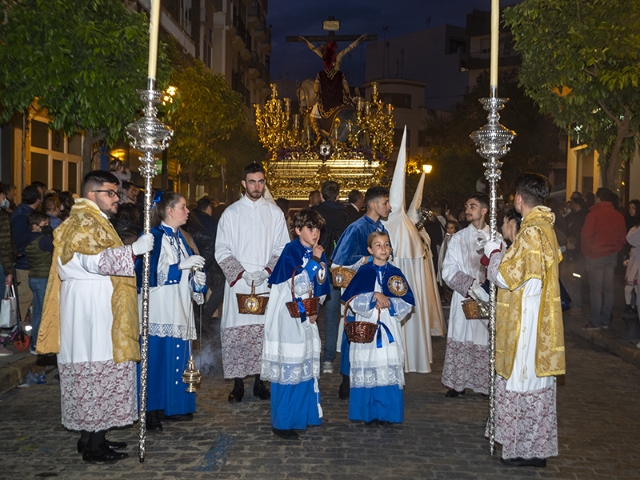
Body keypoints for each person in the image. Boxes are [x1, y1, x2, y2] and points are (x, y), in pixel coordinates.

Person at [37, 170, 154, 463]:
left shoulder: (95, 219)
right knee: (95, 367)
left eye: (117, 193)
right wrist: (132, 251)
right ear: (92, 194)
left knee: (96, 369)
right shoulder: (82, 221)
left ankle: (93, 436)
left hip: (98, 303)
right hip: (90, 307)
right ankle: (93, 446)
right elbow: (85, 261)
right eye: (111, 193)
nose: (117, 199)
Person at [484, 173, 565, 468]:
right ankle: (533, 448)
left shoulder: (531, 232)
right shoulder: (545, 228)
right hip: (535, 312)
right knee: (532, 380)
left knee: (523, 379)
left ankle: (525, 450)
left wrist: (494, 254)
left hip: (527, 320)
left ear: (519, 199)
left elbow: (505, 276)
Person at [215, 162, 290, 402]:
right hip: (239, 281)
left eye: (260, 181)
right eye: (252, 181)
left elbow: (282, 247)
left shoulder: (275, 213)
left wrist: (268, 270)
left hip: (266, 282)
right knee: (238, 332)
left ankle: (260, 382)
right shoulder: (231, 213)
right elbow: (222, 249)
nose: (257, 186)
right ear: (243, 183)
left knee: (264, 333)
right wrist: (241, 272)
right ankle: (238, 384)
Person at [136, 191, 206, 431]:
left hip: (179, 307)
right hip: (159, 308)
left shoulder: (183, 238)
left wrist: (197, 279)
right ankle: (150, 410)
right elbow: (150, 275)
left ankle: (173, 405)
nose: (187, 212)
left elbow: (187, 275)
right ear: (169, 211)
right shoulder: (153, 237)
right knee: (156, 361)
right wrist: (181, 267)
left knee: (176, 358)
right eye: (183, 207)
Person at [262, 209, 331, 440]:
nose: (315, 233)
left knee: (305, 366)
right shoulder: (291, 250)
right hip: (287, 317)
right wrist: (314, 261)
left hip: (306, 316)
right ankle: (282, 422)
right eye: (310, 229)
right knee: (289, 367)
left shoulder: (318, 252)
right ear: (297, 230)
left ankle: (305, 415)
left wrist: (315, 309)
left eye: (318, 229)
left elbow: (320, 286)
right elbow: (295, 284)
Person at [342, 231, 414, 425]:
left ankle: (387, 413)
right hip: (367, 326)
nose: (383, 249)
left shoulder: (396, 273)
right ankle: (367, 412)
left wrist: (389, 302)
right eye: (378, 245)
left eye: (386, 245)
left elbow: (407, 303)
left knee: (385, 364)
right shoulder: (363, 272)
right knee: (368, 363)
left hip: (388, 326)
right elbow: (351, 301)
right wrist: (373, 296)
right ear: (370, 250)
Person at [332, 186, 391, 399]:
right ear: (373, 205)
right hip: (358, 291)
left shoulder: (382, 228)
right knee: (353, 331)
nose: (389, 207)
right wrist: (364, 260)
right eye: (385, 203)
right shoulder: (356, 228)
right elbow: (338, 262)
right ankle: (346, 378)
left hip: (379, 289)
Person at [441, 192, 493, 397]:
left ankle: (483, 384)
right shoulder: (458, 238)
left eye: (472, 206)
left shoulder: (496, 238)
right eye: (466, 206)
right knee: (461, 336)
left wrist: (487, 287)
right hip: (464, 297)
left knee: (483, 338)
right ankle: (457, 383)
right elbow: (448, 269)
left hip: (487, 298)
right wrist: (471, 286)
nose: (467, 210)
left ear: (484, 210)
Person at [311, 181, 350, 373]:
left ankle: (310, 354)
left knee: (311, 312)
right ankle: (328, 359)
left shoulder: (316, 213)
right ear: (338, 195)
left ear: (321, 194)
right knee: (332, 315)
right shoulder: (345, 215)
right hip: (335, 269)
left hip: (315, 265)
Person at [581, 187, 627, 329]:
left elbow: (586, 236)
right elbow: (622, 237)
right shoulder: (618, 215)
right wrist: (615, 249)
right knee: (608, 289)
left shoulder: (593, 215)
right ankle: (606, 320)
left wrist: (587, 252)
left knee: (595, 290)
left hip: (595, 256)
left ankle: (595, 321)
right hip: (611, 255)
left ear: (599, 199)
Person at [11, 184, 42, 323]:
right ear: (37, 199)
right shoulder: (23, 216)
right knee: (24, 297)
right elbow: (18, 240)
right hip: (24, 263)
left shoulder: (21, 212)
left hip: (26, 262)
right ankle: (14, 328)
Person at [24, 211, 54, 354]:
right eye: (45, 224)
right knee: (42, 313)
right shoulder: (43, 240)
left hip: (34, 277)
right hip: (43, 278)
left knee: (36, 313)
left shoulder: (29, 238)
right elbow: (57, 247)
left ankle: (35, 343)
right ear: (35, 226)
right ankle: (38, 344)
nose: (48, 226)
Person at [0, 184, 16, 357]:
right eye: (3, 195)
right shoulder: (2, 217)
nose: (5, 199)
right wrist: (9, 270)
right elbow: (4, 245)